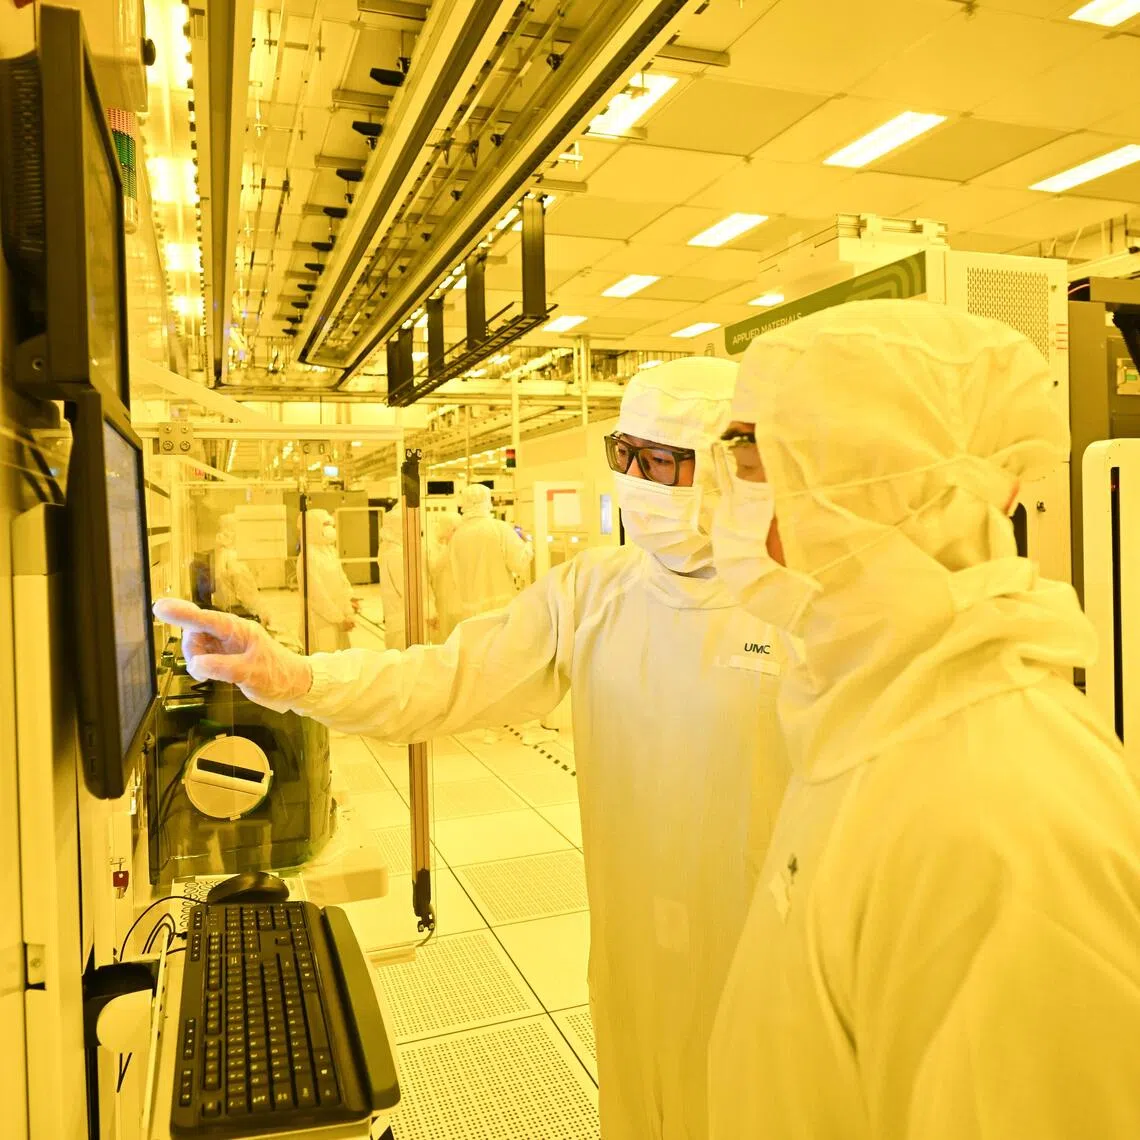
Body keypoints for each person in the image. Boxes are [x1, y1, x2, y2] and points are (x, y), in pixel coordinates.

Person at [154, 357, 790, 1140]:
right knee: (640, 1097)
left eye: (659, 462)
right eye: (622, 454)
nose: (635, 481)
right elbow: (447, 680)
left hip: (767, 939)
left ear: (730, 470)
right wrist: (299, 678)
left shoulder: (801, 608)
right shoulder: (595, 590)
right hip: (632, 929)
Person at [704, 300, 1140, 1139]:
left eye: (754, 455)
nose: (733, 490)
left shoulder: (999, 819)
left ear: (878, 485)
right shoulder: (879, 710)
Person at [448, 483, 532, 622]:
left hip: (470, 611)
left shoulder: (458, 534)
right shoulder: (499, 528)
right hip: (499, 609)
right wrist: (528, 544)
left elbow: (454, 574)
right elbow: (519, 563)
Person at [297, 508, 359, 652]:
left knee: (341, 662)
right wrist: (338, 618)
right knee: (325, 663)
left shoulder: (329, 551)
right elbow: (316, 595)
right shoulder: (308, 556)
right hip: (320, 622)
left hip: (338, 620)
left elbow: (342, 580)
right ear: (313, 527)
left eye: (331, 525)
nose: (331, 529)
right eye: (325, 525)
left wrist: (349, 600)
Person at [212, 512, 271, 624]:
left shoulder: (223, 554)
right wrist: (263, 614)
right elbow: (247, 597)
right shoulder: (234, 559)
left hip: (229, 615)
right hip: (239, 617)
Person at [426, 509, 462, 643]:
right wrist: (449, 547)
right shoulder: (433, 547)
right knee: (443, 639)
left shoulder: (459, 547)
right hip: (442, 601)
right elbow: (433, 568)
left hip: (459, 602)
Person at [378, 506, 406, 651]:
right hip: (402, 621)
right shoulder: (396, 554)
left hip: (397, 620)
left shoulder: (388, 549)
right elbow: (406, 589)